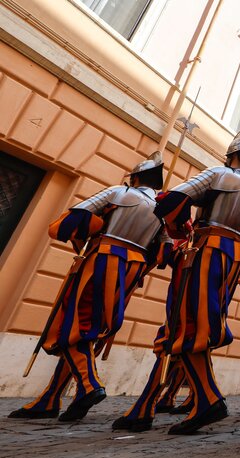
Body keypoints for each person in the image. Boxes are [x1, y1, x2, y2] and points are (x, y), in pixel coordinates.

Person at [10, 153, 168, 422]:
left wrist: (90, 233)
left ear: (136, 178)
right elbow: (162, 255)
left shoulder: (120, 192)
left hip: (103, 261)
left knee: (71, 327)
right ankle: (51, 397)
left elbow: (68, 224)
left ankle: (89, 385)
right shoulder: (161, 213)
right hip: (131, 271)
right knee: (88, 330)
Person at [150, 126, 240, 434]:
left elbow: (172, 201)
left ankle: (207, 399)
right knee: (203, 320)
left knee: (187, 321)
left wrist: (184, 229)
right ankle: (201, 396)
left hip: (206, 249)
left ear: (232, 154)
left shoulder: (218, 174)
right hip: (234, 259)